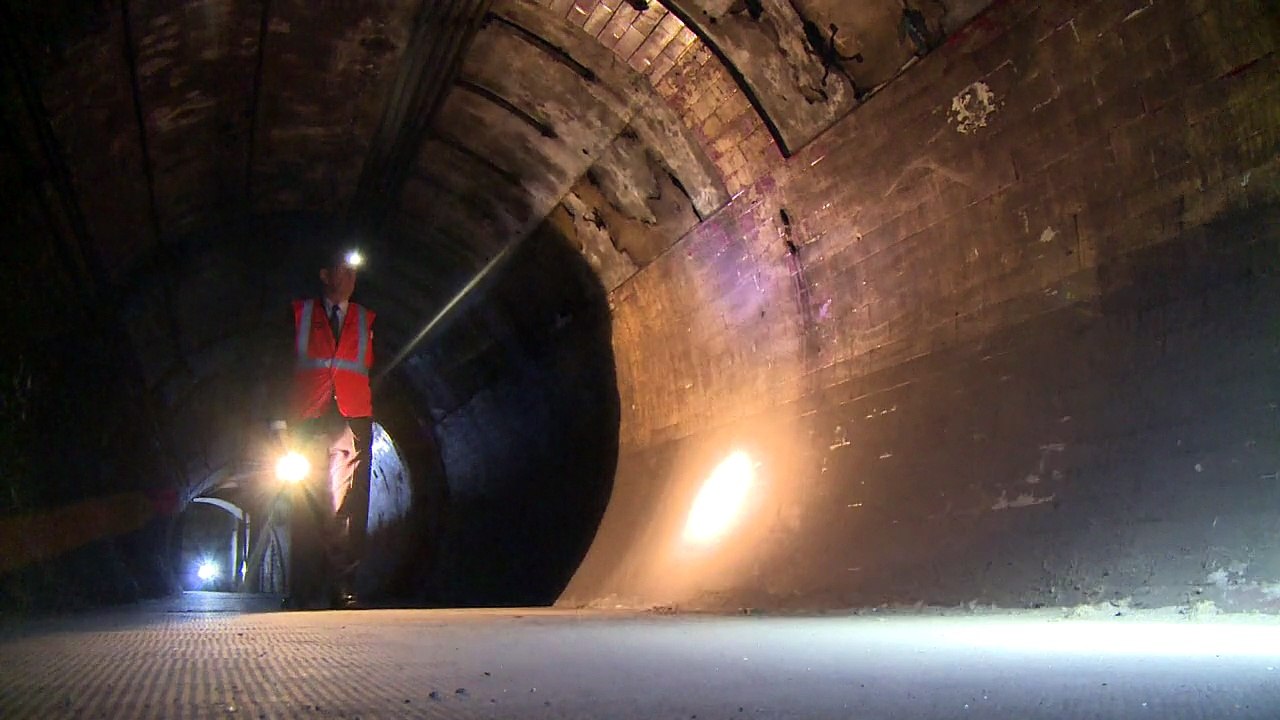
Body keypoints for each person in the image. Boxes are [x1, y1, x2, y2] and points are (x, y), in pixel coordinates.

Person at [279, 248, 376, 609]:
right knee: (304, 502)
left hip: (350, 421)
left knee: (345, 506)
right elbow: (278, 367)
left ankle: (342, 587)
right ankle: (303, 588)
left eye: (354, 271)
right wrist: (277, 419)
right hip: (308, 419)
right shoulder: (300, 314)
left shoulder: (367, 319)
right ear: (324, 274)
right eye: (342, 270)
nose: (350, 277)